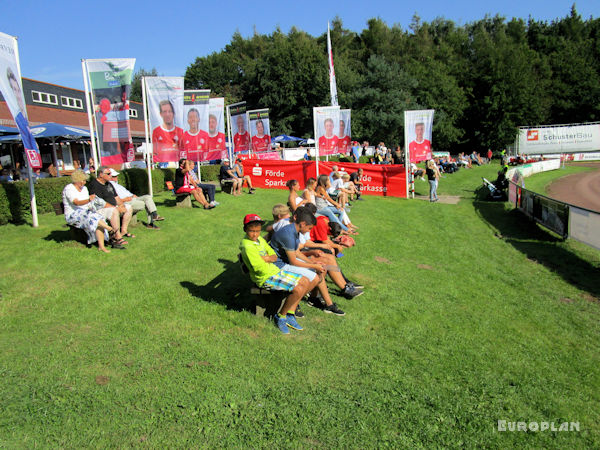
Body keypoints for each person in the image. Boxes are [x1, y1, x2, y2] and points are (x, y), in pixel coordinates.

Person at [240, 214, 318, 334]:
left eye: (257, 231)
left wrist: (267, 258)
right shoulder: (247, 246)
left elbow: (273, 255)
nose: (255, 234)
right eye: (251, 231)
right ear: (245, 229)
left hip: (274, 271)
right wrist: (268, 259)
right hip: (265, 277)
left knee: (306, 281)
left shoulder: (259, 239)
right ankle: (281, 316)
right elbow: (258, 268)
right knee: (298, 288)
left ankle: (290, 313)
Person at [270, 209, 347, 316]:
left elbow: (296, 252)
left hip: (286, 261)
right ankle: (292, 308)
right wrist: (312, 265)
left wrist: (311, 262)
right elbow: (293, 261)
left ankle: (327, 304)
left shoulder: (294, 230)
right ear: (302, 224)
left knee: (319, 271)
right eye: (309, 228)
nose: (308, 231)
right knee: (315, 276)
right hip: (280, 265)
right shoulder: (288, 234)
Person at [62, 170, 119, 252]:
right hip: (73, 215)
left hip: (85, 213)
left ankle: (101, 246)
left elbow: (88, 204)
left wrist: (92, 204)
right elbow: (76, 202)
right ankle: (110, 229)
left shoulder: (84, 188)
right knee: (92, 217)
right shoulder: (69, 188)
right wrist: (89, 200)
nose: (85, 182)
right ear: (78, 180)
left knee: (98, 217)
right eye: (83, 180)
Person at [88, 165, 134, 242]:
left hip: (112, 206)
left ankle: (124, 231)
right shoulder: (94, 185)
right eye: (108, 174)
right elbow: (100, 203)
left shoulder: (109, 184)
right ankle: (117, 236)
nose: (111, 176)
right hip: (101, 209)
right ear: (101, 174)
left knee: (128, 208)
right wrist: (116, 208)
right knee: (114, 211)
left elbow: (116, 197)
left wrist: (121, 205)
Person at [6, 67, 37, 154]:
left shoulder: (26, 117)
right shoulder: (17, 119)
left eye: (17, 89)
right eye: (14, 90)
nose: (17, 94)